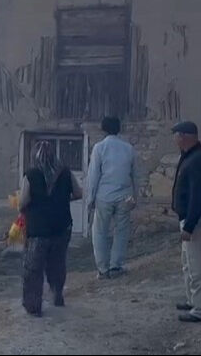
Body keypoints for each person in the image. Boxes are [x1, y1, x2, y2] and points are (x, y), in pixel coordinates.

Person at [19, 141, 82, 316]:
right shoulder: (65, 173)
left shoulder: (31, 174)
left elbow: (23, 201)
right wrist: (61, 200)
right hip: (62, 226)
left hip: (38, 229)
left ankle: (33, 306)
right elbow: (78, 193)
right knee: (57, 263)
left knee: (34, 267)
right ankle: (57, 294)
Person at [171, 121, 201, 323]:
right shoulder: (190, 156)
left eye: (177, 135)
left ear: (185, 136)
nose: (175, 139)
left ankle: (200, 309)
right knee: (188, 264)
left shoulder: (198, 160)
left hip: (198, 220)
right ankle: (193, 300)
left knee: (199, 266)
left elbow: (198, 196)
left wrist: (189, 225)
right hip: (190, 218)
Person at [86, 116, 137, 279]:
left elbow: (93, 175)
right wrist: (135, 197)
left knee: (100, 231)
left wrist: (90, 199)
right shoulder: (128, 148)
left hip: (104, 196)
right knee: (121, 231)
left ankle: (103, 268)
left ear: (103, 129)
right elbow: (135, 175)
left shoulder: (100, 148)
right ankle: (117, 265)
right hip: (124, 196)